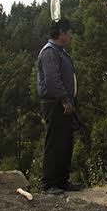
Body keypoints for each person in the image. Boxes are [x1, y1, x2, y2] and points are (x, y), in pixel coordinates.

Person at [37, 18, 82, 193]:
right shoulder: (49, 52)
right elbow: (52, 79)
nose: (71, 36)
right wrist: (64, 99)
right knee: (55, 141)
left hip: (66, 102)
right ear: (62, 33)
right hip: (55, 103)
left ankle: (62, 180)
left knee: (65, 142)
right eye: (69, 33)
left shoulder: (60, 51)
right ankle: (49, 183)